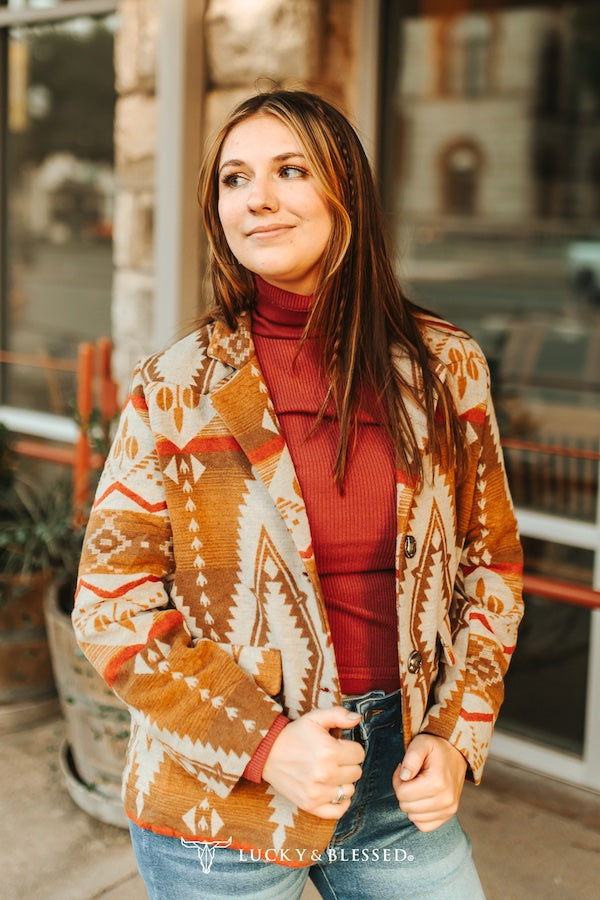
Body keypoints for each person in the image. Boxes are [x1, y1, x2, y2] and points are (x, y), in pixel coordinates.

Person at [73, 89, 523, 899]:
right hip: (220, 796)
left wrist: (458, 734)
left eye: (289, 170)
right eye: (235, 180)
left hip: (399, 779)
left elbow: (491, 568)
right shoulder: (176, 388)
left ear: (344, 189)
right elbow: (112, 604)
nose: (260, 199)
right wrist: (268, 745)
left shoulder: (443, 368)